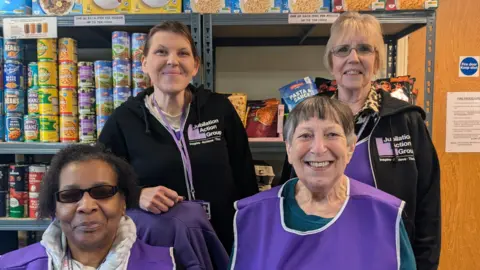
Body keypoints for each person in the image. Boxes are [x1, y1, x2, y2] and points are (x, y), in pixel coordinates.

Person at [280, 12, 441, 270]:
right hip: (318, 257)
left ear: (376, 61)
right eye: (343, 49)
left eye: (364, 49)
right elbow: (286, 194)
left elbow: (428, 208)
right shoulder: (307, 118)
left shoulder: (406, 121)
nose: (353, 58)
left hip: (387, 258)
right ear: (331, 62)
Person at [98, 21, 258, 255]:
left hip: (225, 242)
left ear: (195, 66)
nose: (172, 60)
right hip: (158, 249)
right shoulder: (124, 119)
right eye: (161, 52)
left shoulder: (219, 109)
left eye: (182, 53)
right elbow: (100, 185)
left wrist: (252, 234)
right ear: (144, 63)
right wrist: (137, 195)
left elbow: (245, 177)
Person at [231, 96, 416, 270]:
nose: (318, 148)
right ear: (289, 148)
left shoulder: (385, 216)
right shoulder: (252, 217)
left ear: (351, 147)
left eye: (332, 134)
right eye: (305, 135)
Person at [0, 144, 179, 269]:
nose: (86, 206)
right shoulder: (9, 266)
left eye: (102, 192)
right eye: (70, 196)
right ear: (54, 208)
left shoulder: (170, 265)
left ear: (123, 202)